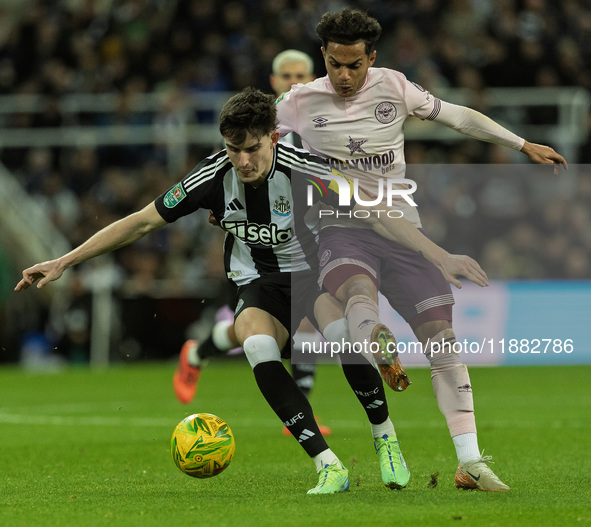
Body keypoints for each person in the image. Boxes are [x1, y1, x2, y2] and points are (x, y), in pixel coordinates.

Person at [15, 87, 489, 494]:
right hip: (256, 281)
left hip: (311, 274)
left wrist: (437, 255)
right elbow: (140, 222)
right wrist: (63, 261)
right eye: (231, 149)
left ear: (274, 138)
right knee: (258, 345)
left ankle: (384, 435)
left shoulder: (306, 166)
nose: (242, 160)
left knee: (344, 336)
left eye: (252, 149)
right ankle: (328, 465)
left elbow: (376, 209)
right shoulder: (210, 176)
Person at [275, 7, 568, 492]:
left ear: (372, 57)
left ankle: (470, 462)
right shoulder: (298, 102)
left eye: (355, 65)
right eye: (334, 64)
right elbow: (250, 146)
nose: (344, 76)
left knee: (442, 340)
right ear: (322, 56)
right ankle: (377, 342)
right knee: (355, 288)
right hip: (337, 225)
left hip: (400, 226)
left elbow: (459, 117)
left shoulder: (395, 86)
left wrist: (521, 144)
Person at [174, 49, 332, 437]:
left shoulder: (325, 129)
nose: (295, 82)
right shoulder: (255, 132)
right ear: (274, 82)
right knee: (255, 333)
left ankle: (198, 353)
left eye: (302, 75)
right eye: (286, 76)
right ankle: (197, 352)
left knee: (300, 325)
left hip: (302, 249)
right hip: (254, 257)